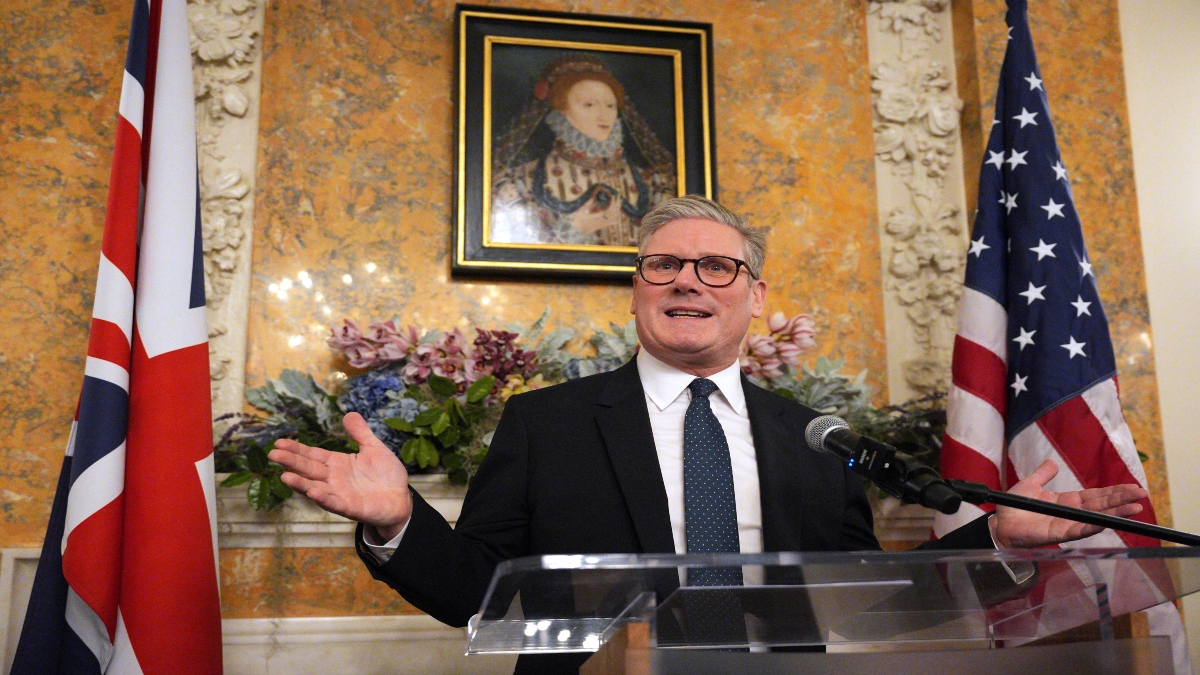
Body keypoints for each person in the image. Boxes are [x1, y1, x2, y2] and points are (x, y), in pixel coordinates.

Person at [270, 196, 1149, 675]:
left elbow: (867, 598)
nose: (688, 280)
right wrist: (398, 521)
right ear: (637, 288)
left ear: (755, 294)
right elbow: (480, 594)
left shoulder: (815, 433)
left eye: (717, 265)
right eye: (664, 263)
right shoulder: (548, 422)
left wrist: (993, 535)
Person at [489, 53, 677, 246]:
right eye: (589, 105)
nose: (604, 115)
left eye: (610, 106)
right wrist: (575, 230)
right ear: (560, 110)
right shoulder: (522, 182)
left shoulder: (653, 184)